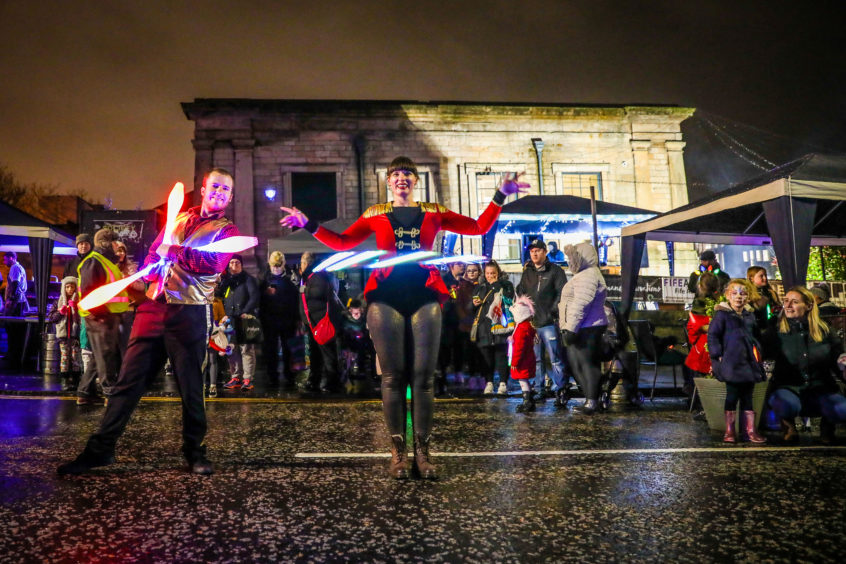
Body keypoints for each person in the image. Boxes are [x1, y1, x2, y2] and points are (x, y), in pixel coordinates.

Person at [280, 156, 528, 479]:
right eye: (395, 174)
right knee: (393, 377)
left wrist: (500, 194)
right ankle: (398, 452)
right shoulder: (375, 213)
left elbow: (478, 227)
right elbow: (342, 243)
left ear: (415, 181)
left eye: (407, 174)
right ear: (387, 182)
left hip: (425, 294)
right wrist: (309, 224)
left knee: (424, 378)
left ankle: (423, 453)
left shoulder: (433, 212)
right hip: (386, 296)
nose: (401, 178)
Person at [58, 167, 241, 476]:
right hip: (154, 309)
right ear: (204, 188)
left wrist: (175, 252)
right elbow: (155, 253)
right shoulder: (178, 220)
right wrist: (153, 267)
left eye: (225, 189)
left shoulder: (229, 232)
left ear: (230, 196)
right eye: (214, 186)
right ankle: (100, 450)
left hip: (189, 312)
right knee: (127, 383)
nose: (218, 192)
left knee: (191, 388)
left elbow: (211, 263)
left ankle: (195, 452)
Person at [764, 287, 846, 443]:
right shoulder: (775, 330)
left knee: (842, 409)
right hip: (789, 389)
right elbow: (759, 349)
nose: (788, 305)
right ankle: (788, 425)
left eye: (794, 302)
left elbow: (838, 360)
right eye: (786, 301)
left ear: (809, 306)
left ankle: (827, 427)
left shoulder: (825, 331)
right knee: (783, 403)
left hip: (821, 389)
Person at [707, 279, 767, 444]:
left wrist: (759, 352)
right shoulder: (722, 315)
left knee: (748, 397)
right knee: (732, 396)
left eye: (743, 293)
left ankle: (750, 430)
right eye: (735, 293)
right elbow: (713, 335)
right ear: (727, 296)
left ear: (748, 297)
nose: (739, 297)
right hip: (732, 363)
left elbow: (756, 335)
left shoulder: (750, 315)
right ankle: (730, 430)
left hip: (748, 363)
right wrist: (717, 354)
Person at [516, 238, 568, 404]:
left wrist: (553, 311)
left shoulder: (555, 271)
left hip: (549, 322)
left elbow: (562, 293)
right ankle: (539, 389)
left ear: (545, 252)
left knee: (555, 358)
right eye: (532, 251)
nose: (534, 253)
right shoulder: (528, 272)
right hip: (532, 323)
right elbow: (521, 292)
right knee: (536, 359)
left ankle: (560, 390)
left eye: (538, 250)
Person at [558, 242, 608, 415]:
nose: (570, 261)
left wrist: (570, 328)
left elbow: (581, 304)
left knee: (586, 364)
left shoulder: (587, 275)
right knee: (581, 363)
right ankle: (592, 399)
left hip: (586, 328)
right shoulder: (587, 274)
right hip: (586, 326)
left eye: (573, 257)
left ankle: (591, 401)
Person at [76, 229, 127, 399]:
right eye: (114, 243)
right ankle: (108, 391)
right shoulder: (94, 261)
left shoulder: (103, 261)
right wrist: (98, 314)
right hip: (101, 316)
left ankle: (83, 392)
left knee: (100, 354)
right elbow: (88, 289)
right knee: (105, 354)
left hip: (107, 315)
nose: (116, 246)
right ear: (108, 243)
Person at [298, 251, 344, 394]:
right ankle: (315, 380)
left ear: (306, 263)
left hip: (321, 322)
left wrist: (306, 291)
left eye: (302, 263)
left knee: (327, 352)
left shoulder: (318, 276)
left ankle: (333, 382)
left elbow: (319, 293)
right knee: (315, 353)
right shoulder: (308, 277)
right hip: (312, 322)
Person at [473, 260, 515, 396]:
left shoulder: (506, 285)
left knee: (501, 355)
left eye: (493, 273)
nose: (490, 276)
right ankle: (489, 383)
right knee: (486, 357)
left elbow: (509, 297)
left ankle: (503, 383)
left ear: (499, 273)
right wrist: (473, 304)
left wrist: (496, 284)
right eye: (488, 273)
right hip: (484, 327)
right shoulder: (479, 288)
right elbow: (472, 308)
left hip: (500, 326)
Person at [218, 254, 260, 391]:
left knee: (246, 350)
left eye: (237, 263)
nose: (234, 265)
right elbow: (220, 296)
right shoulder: (227, 281)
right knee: (231, 349)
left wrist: (245, 311)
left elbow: (254, 298)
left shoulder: (249, 280)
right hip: (230, 321)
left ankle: (247, 379)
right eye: (231, 263)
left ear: (241, 265)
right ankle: (235, 377)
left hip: (244, 320)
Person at [259, 251, 300, 389]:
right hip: (270, 320)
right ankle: (272, 376)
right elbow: (258, 300)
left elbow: (296, 301)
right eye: (274, 265)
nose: (276, 268)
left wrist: (297, 318)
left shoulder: (290, 279)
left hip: (287, 319)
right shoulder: (264, 279)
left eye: (278, 265)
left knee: (288, 349)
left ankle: (289, 376)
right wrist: (265, 294)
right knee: (270, 350)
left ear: (283, 264)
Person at [47, 276, 82, 392]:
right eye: (67, 286)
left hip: (75, 335)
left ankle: (76, 381)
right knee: (65, 358)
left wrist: (75, 308)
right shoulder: (58, 302)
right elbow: (52, 317)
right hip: (63, 335)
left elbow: (83, 317)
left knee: (75, 358)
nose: (70, 289)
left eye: (72, 286)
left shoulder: (79, 302)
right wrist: (60, 312)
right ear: (63, 288)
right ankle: (65, 381)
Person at [685, 272, 721, 382]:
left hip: (702, 349)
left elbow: (693, 329)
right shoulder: (722, 303)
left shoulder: (698, 305)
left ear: (699, 286)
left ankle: (695, 394)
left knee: (691, 364)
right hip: (721, 349)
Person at [437, 261, 465, 396]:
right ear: (451, 266)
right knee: (446, 350)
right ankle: (443, 378)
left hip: (462, 320)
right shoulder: (444, 281)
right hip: (447, 321)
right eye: (458, 264)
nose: (462, 266)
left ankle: (458, 372)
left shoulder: (464, 282)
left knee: (460, 348)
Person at [114, 240, 146, 357]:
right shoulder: (108, 267)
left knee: (125, 344)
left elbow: (141, 286)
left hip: (127, 310)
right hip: (111, 311)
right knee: (112, 346)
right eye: (118, 251)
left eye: (122, 251)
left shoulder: (130, 267)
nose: (120, 253)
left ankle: (124, 372)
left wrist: (128, 280)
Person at [341, 298, 376, 395]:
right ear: (350, 311)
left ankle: (369, 371)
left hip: (363, 342)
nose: (357, 316)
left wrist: (364, 333)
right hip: (350, 342)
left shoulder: (365, 319)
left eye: (359, 313)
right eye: (355, 313)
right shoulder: (345, 319)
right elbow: (343, 331)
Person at [455, 263, 482, 389]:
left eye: (474, 270)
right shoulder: (463, 287)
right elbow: (459, 305)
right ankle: (472, 375)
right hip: (467, 324)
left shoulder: (483, 286)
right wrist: (464, 318)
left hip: (481, 324)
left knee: (481, 351)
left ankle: (481, 375)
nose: (471, 273)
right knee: (470, 351)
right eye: (469, 271)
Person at [508, 295, 537, 413]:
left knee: (522, 380)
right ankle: (530, 399)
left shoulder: (520, 329)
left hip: (522, 361)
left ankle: (527, 401)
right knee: (524, 380)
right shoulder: (526, 327)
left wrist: (514, 362)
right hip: (527, 359)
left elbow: (519, 347)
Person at [2, 251, 29, 369]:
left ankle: (14, 355)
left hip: (17, 303)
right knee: (13, 330)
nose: (4, 262)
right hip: (18, 302)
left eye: (5, 259)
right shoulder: (17, 267)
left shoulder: (15, 267)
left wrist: (11, 299)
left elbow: (16, 283)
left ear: (12, 258)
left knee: (13, 329)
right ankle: (12, 354)